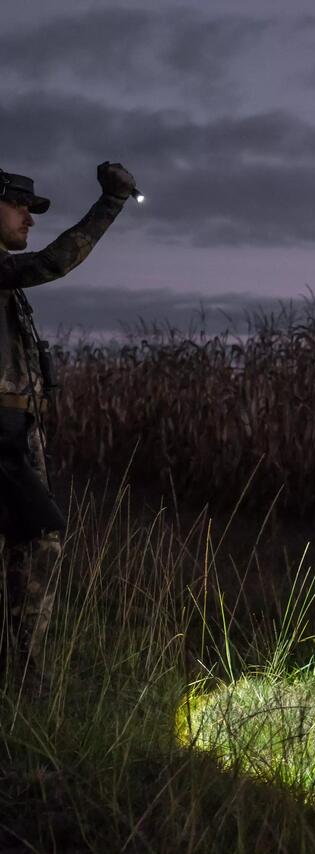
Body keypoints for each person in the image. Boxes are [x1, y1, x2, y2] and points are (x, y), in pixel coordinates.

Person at [0, 161, 137, 699]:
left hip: (15, 432)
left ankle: (21, 679)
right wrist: (111, 202)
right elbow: (55, 261)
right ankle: (27, 681)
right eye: (18, 207)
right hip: (3, 435)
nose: (28, 219)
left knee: (26, 540)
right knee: (40, 536)